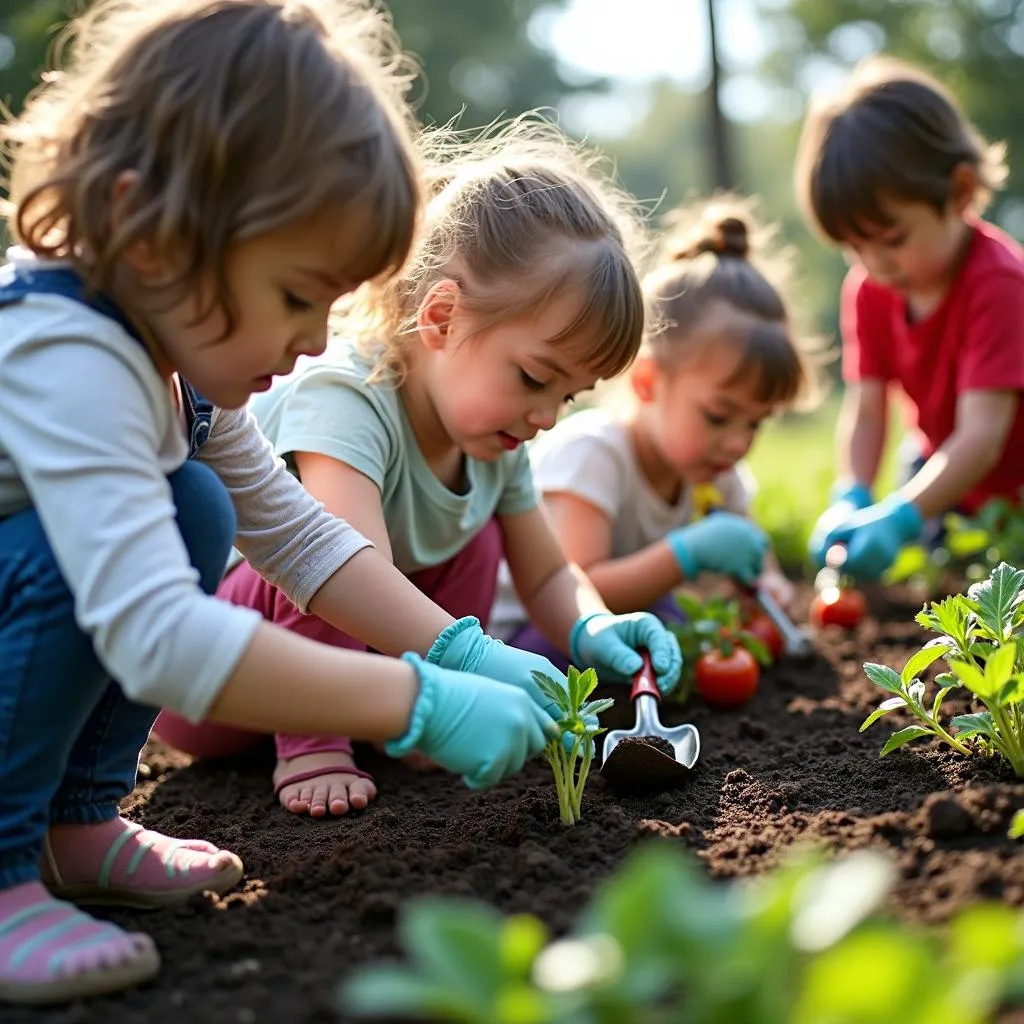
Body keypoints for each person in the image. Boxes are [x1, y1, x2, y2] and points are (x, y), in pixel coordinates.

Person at [0, 0, 604, 1004]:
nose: (320, 341)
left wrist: (461, 649)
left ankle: (73, 824)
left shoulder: (171, 367)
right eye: (296, 297)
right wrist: (416, 704)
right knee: (94, 555)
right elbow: (157, 637)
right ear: (156, 242)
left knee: (198, 506)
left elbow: (297, 540)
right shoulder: (66, 355)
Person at [154, 118, 684, 818]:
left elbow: (549, 574)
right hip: (226, 684)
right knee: (341, 554)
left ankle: (408, 723)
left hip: (370, 676)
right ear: (442, 318)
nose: (548, 415)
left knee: (484, 536)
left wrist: (593, 626)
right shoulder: (348, 397)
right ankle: (312, 740)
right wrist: (468, 663)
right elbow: (330, 566)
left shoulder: (498, 443)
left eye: (570, 395)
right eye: (534, 377)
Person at [490, 196, 818, 663]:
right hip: (525, 639)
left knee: (681, 625)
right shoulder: (593, 456)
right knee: (664, 623)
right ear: (647, 382)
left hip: (615, 626)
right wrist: (683, 555)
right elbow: (578, 589)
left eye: (756, 423)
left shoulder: (716, 474)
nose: (738, 442)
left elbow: (756, 561)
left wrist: (771, 586)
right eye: (718, 416)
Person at [798, 56, 1024, 579]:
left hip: (1010, 484)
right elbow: (868, 410)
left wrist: (901, 517)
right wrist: (852, 491)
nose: (875, 265)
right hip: (940, 469)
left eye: (893, 240)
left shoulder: (998, 284)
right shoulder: (870, 290)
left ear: (960, 192)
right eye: (854, 247)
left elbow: (982, 438)